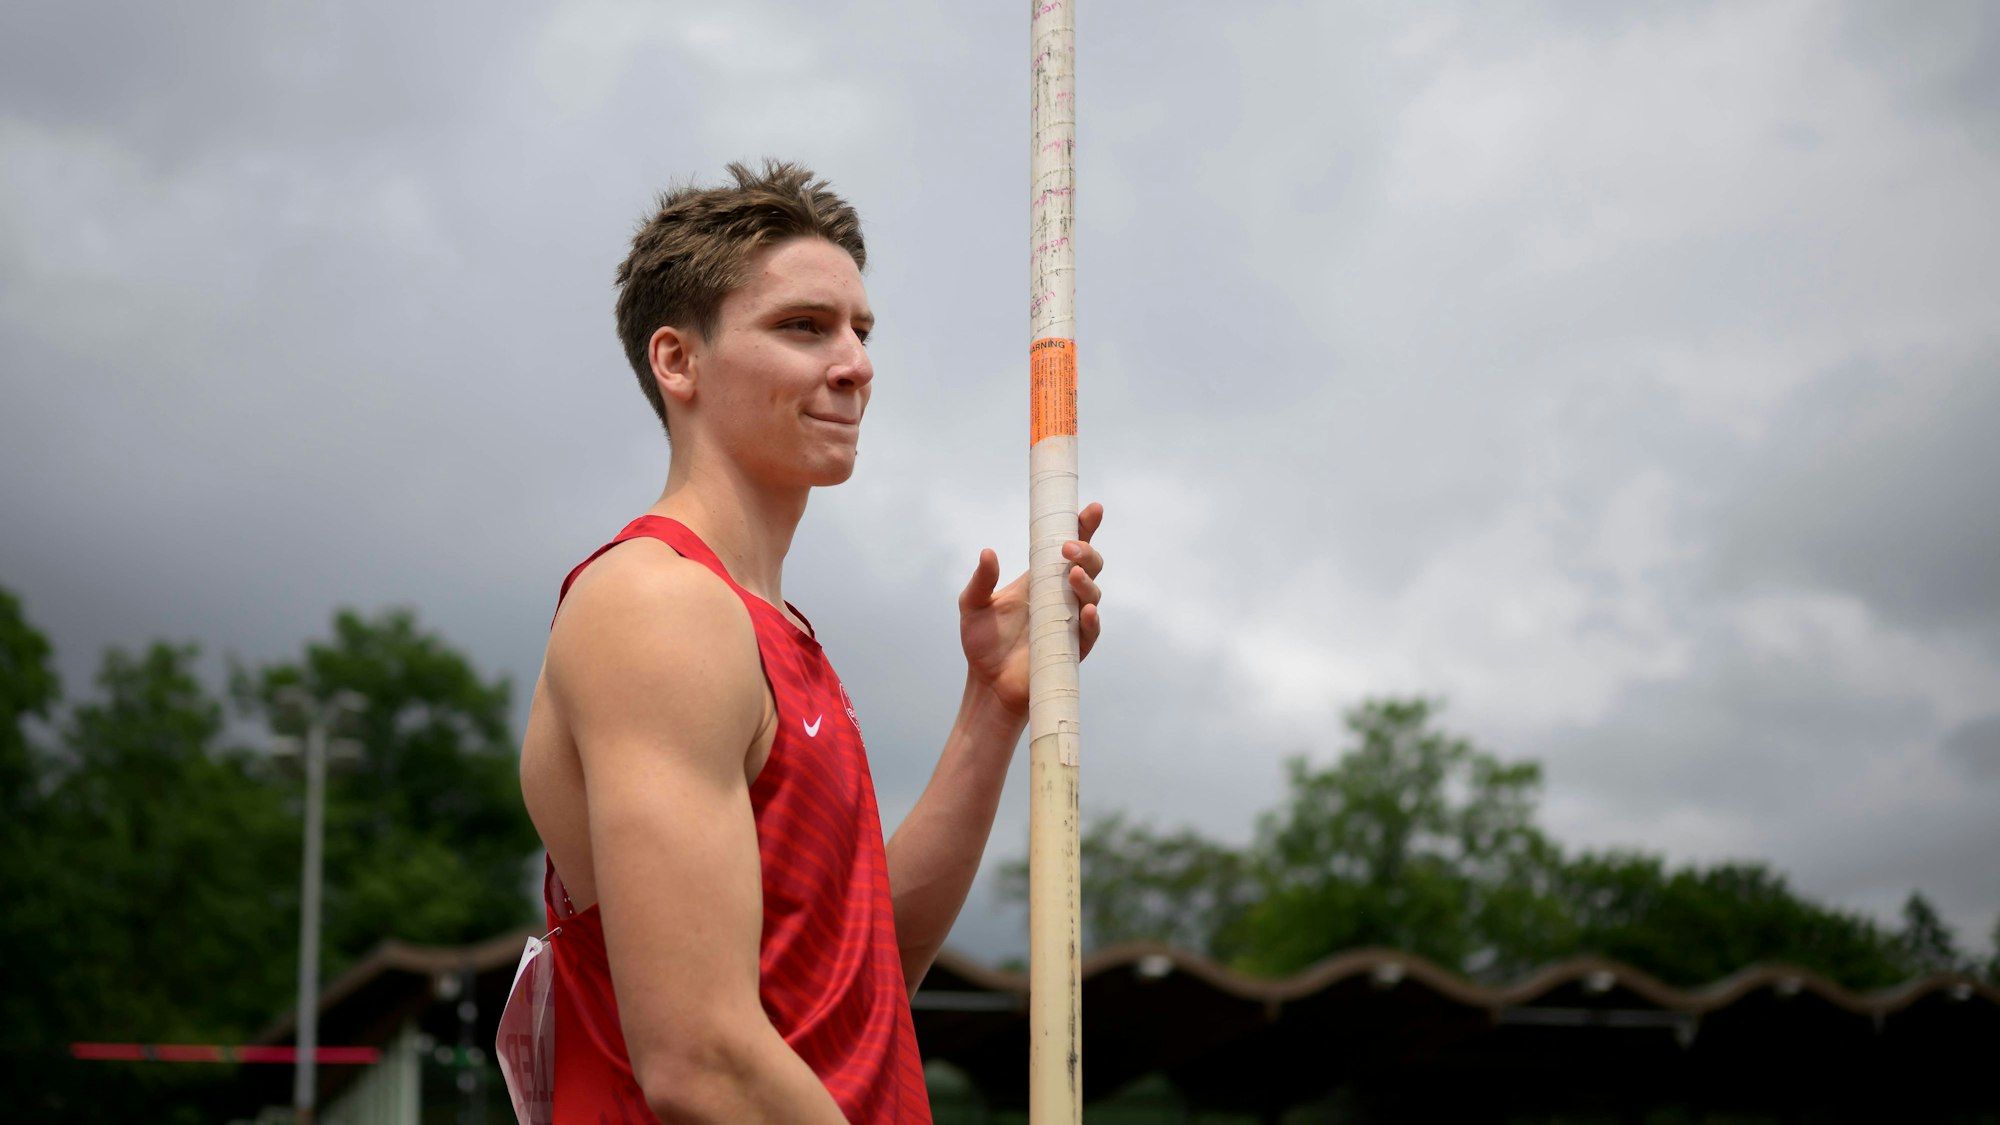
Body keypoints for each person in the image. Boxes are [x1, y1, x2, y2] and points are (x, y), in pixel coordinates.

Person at [517, 160, 1106, 1123]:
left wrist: (992, 707)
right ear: (679, 362)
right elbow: (703, 1060)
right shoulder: (657, 606)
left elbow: (861, 983)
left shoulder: (769, 628)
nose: (855, 364)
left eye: (861, 331)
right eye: (803, 327)